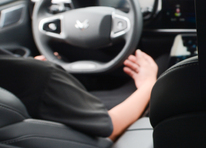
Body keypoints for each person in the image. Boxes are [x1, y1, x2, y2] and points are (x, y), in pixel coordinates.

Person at [0, 49, 158, 141]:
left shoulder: (27, 73)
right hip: (92, 146)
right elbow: (110, 127)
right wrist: (149, 84)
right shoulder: (40, 77)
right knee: (163, 64)